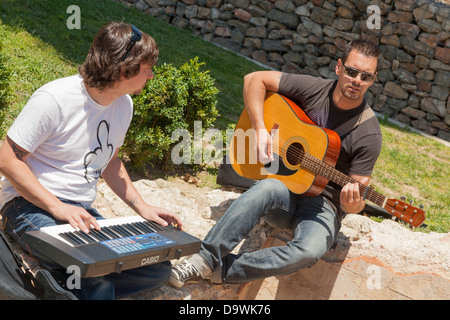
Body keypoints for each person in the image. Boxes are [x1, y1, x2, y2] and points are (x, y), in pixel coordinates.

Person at [170, 39, 382, 287]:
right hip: (285, 189)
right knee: (267, 188)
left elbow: (358, 195)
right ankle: (204, 259)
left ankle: (224, 271)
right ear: (339, 68)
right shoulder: (314, 89)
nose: (357, 80)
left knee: (309, 251)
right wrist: (260, 130)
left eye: (365, 76)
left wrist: (353, 203)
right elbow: (254, 79)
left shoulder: (368, 133)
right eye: (352, 71)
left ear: (373, 80)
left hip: (323, 207)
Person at [0, 22, 182, 299]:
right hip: (27, 207)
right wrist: (57, 206)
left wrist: (141, 207)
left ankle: (58, 282)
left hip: (79, 214)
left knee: (155, 270)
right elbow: (7, 158)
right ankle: (69, 281)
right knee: (97, 281)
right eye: (147, 70)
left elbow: (110, 161)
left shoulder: (124, 104)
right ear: (124, 71)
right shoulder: (55, 98)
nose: (151, 76)